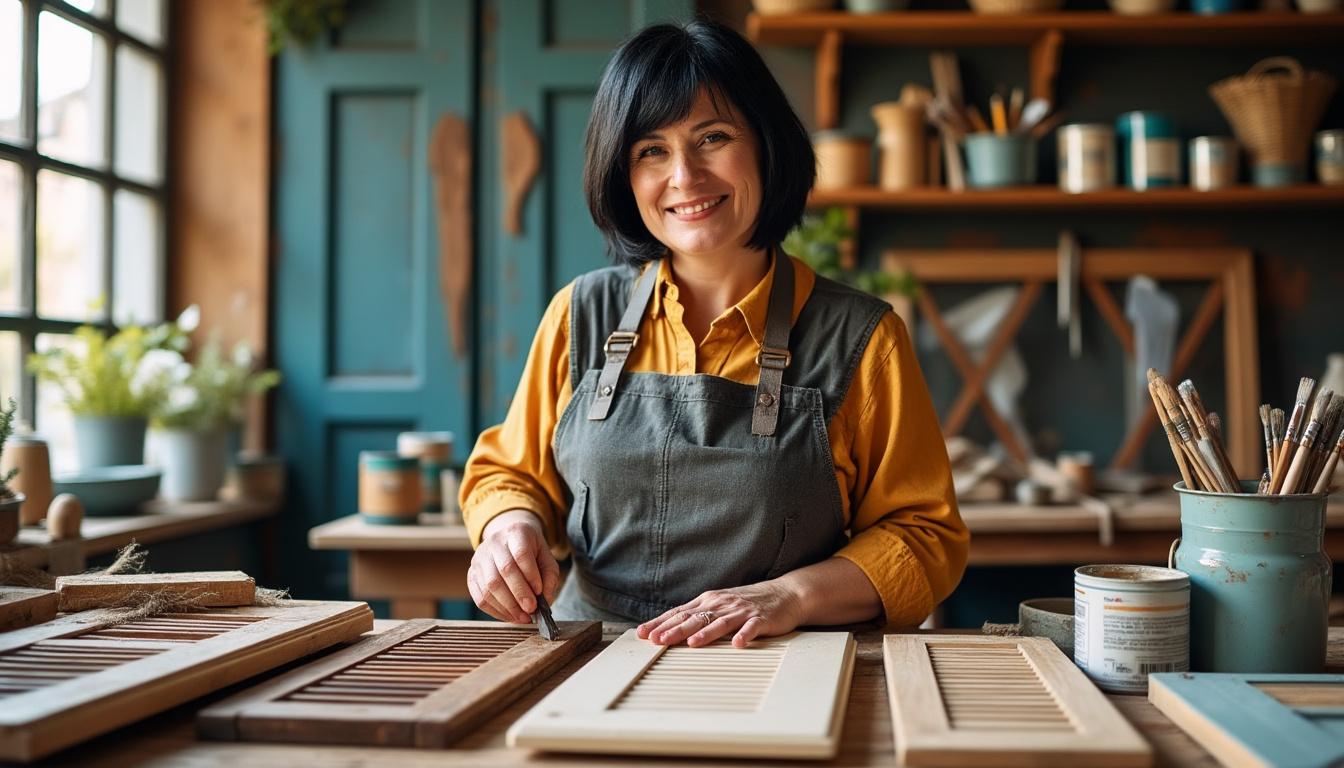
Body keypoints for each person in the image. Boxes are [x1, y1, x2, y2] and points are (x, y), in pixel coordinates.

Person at [461, 20, 967, 648]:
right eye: (652, 150)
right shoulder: (578, 314)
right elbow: (510, 475)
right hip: (586, 655)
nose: (685, 176)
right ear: (623, 174)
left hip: (775, 661)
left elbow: (923, 535)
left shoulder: (864, 339)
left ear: (766, 145)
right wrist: (509, 529)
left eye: (714, 137)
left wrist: (790, 595)